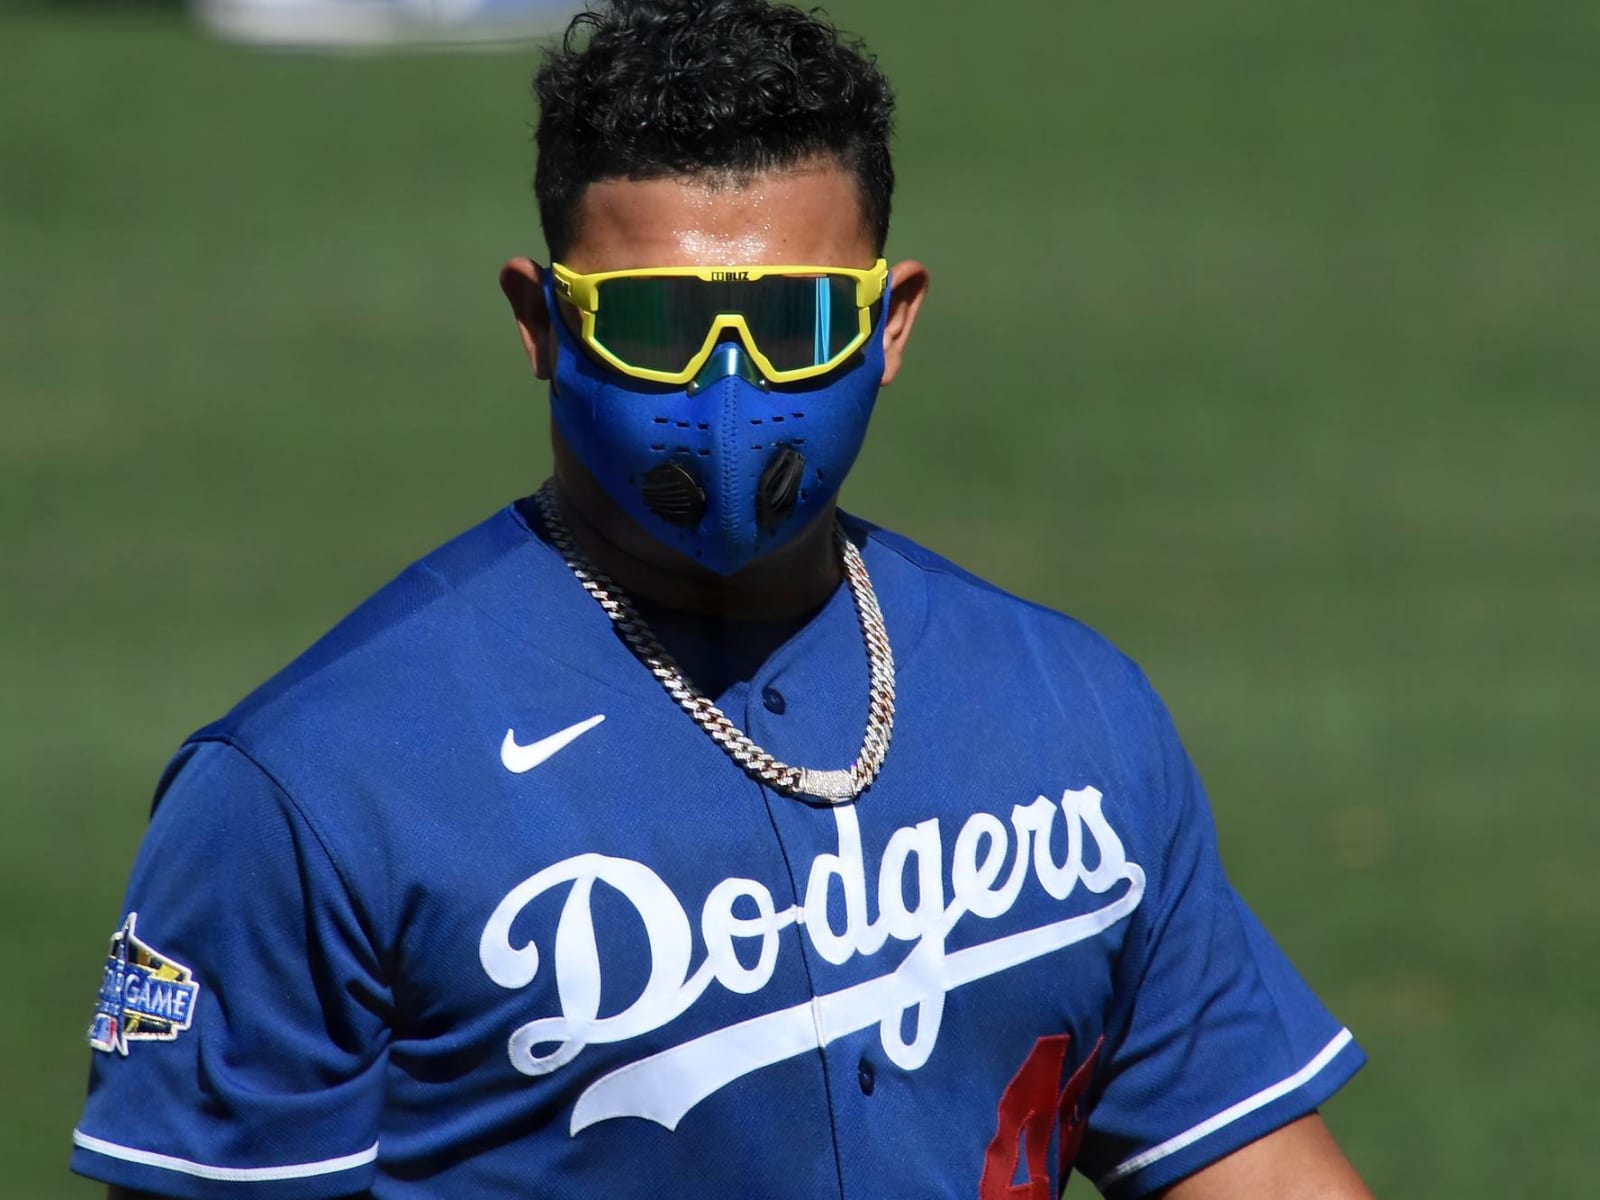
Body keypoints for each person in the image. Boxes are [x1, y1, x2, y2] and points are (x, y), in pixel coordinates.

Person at [72, 2, 1375, 1197]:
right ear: (540, 321)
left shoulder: (1071, 713)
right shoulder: (311, 792)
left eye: (795, 322)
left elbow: (1254, 1158)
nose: (728, 383)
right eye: (658, 323)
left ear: (891, 321)